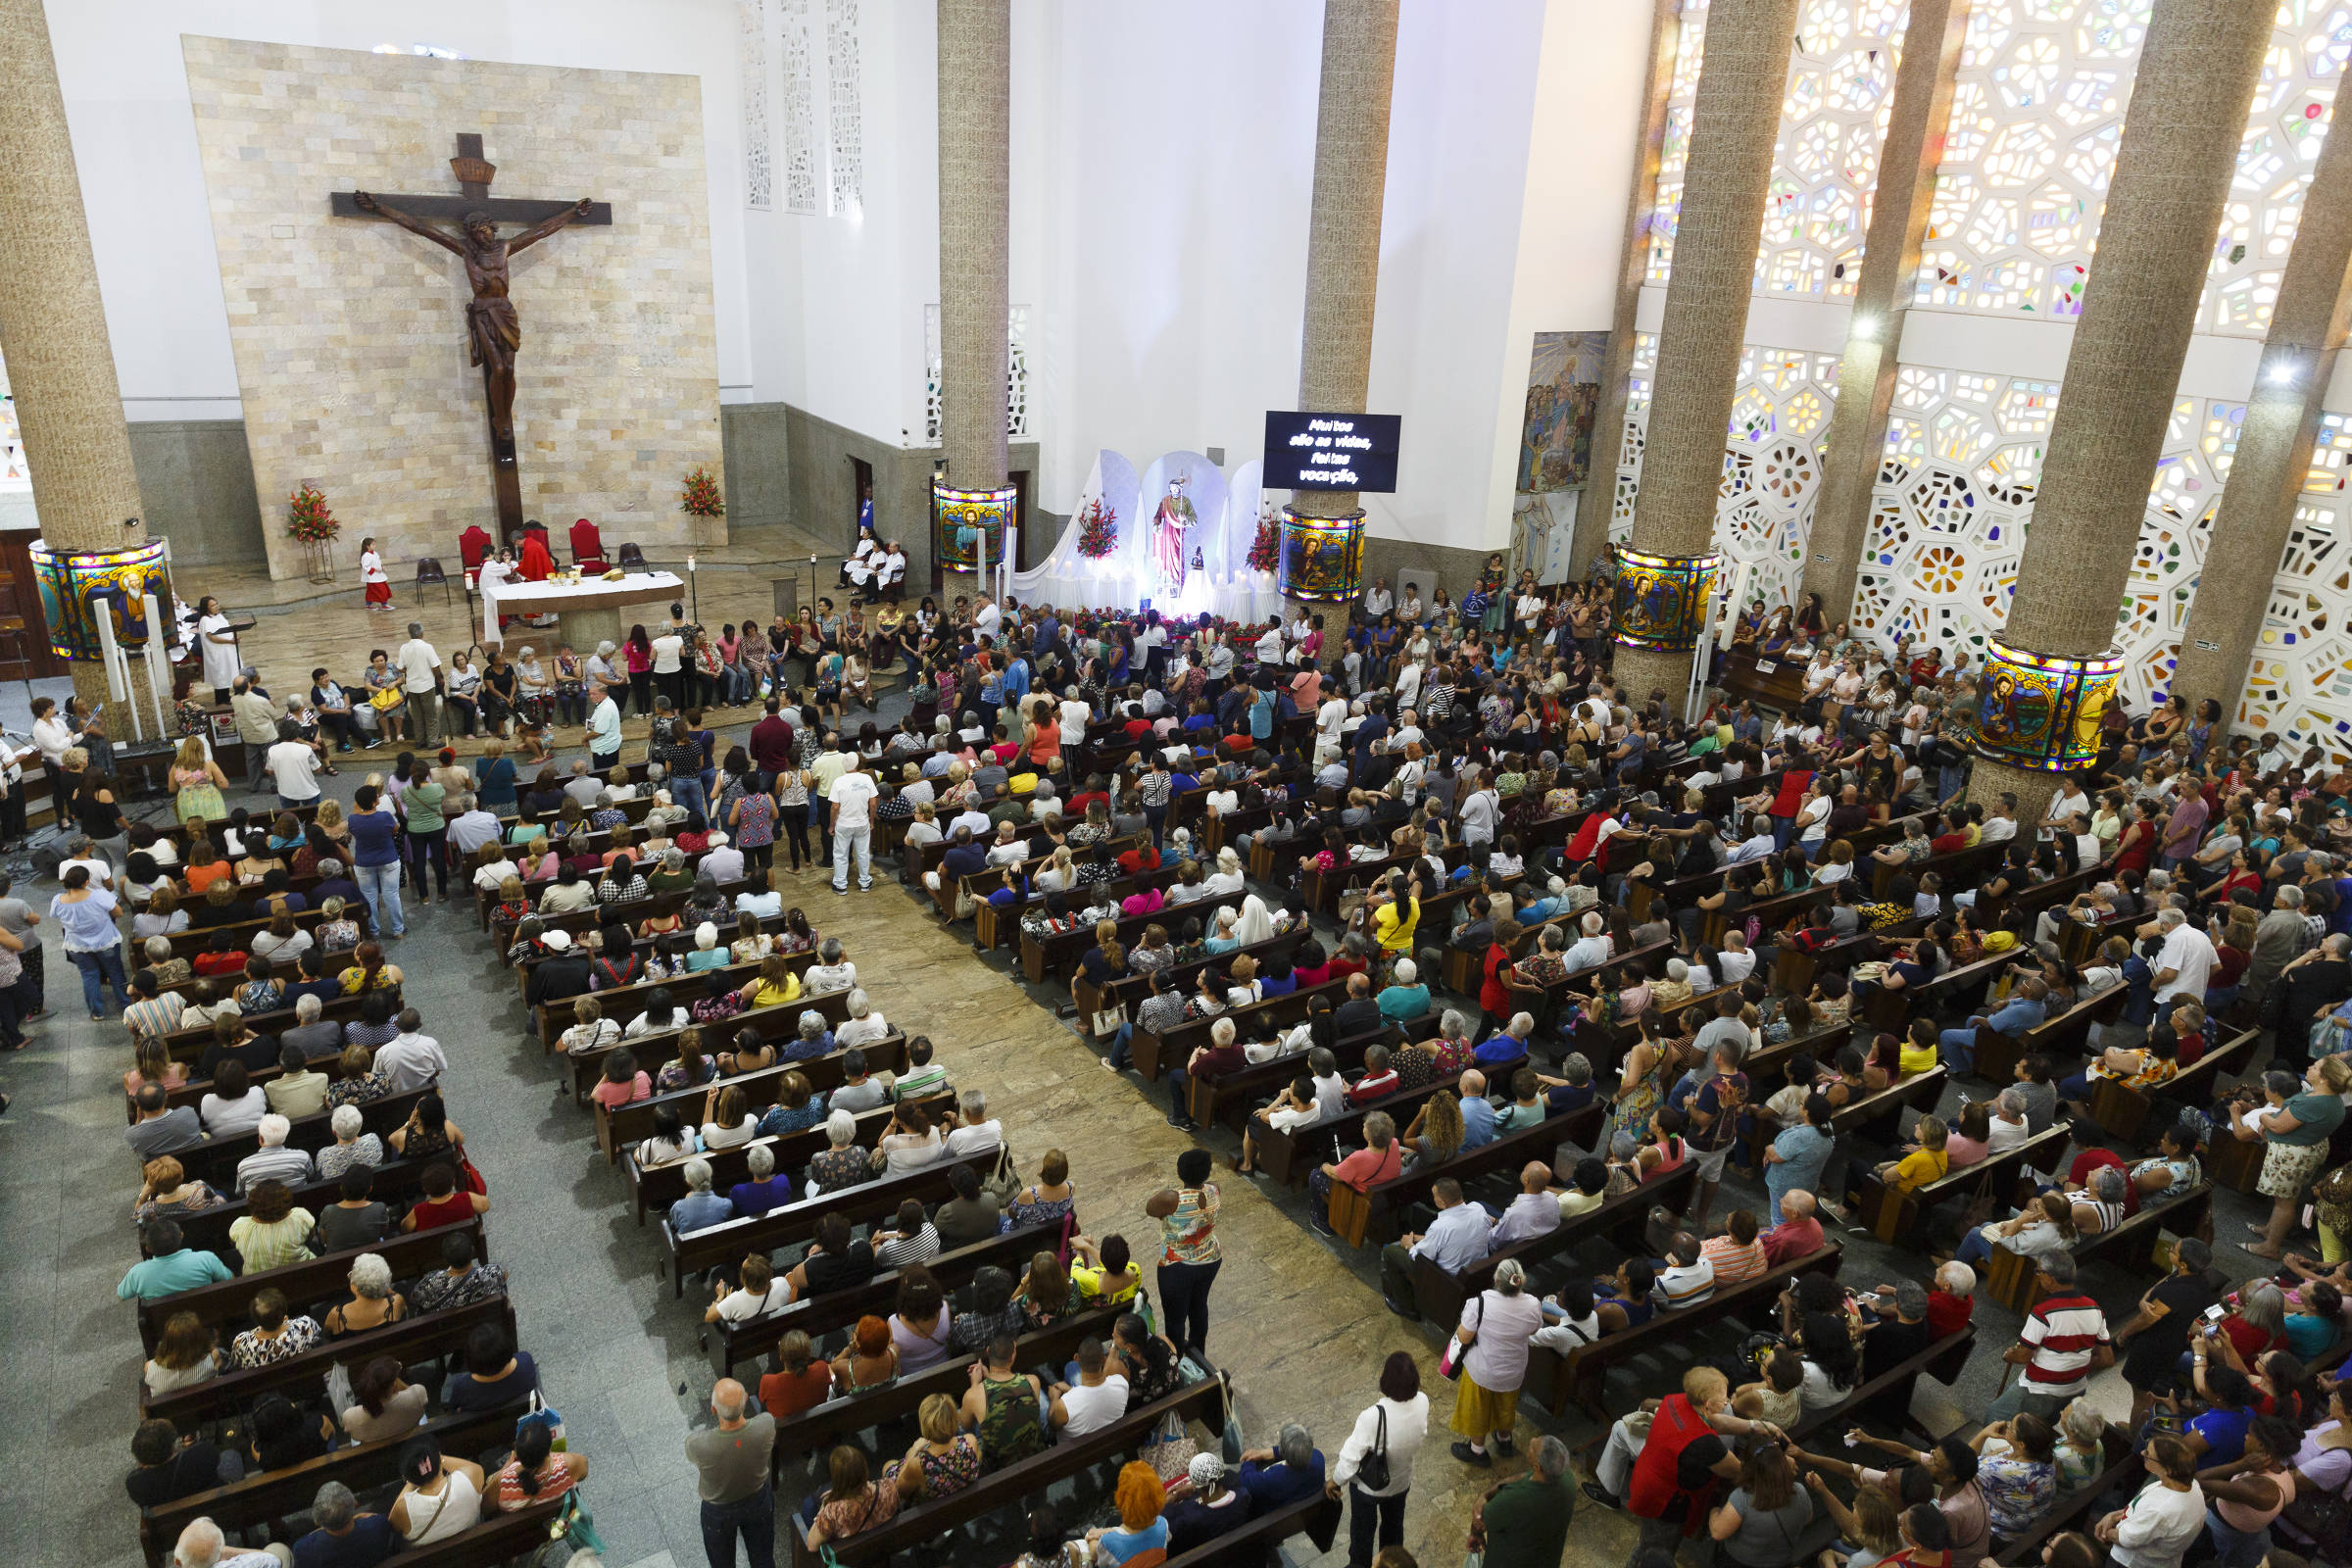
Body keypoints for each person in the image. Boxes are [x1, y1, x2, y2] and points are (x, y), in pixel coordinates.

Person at [1330, 1351, 1429, 1568]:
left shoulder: (1373, 1416)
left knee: (1363, 1533)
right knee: (1394, 1528)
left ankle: (1360, 1565)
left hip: (1369, 1488)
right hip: (1401, 1482)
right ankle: (1391, 1562)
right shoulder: (1423, 1402)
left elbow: (1350, 1458)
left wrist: (1335, 1481)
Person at [1450, 1257, 1545, 1466]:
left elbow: (1464, 1337)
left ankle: (1477, 1451)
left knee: (1478, 1409)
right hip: (1513, 1370)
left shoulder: (1479, 1304)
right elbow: (1535, 1329)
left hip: (1482, 1370)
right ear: (1520, 1280)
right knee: (1506, 1405)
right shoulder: (1532, 1304)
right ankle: (1504, 1440)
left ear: (1495, 1279)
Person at [688, 1377, 779, 1568]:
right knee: (763, 1559)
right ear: (746, 1399)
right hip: (758, 1500)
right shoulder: (766, 1424)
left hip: (718, 1511)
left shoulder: (699, 1445)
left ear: (713, 1410)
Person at [1148, 1148, 1222, 1357]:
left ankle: (1176, 1357)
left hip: (1177, 1266)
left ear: (1180, 1173)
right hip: (1209, 1258)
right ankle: (1199, 1351)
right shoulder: (1214, 1189)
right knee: (1199, 1306)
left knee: (1175, 1317)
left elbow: (1150, 1208)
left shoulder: (1172, 1199)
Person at [1471, 1434, 1577, 1568]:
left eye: (1533, 1448)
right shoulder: (1566, 1479)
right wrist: (1486, 1494)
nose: (1531, 1440)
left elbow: (1480, 1521)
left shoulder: (1512, 1500)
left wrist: (1476, 1534)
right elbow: (1525, 1476)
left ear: (1538, 1467)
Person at [389, 1436, 488, 1545]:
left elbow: (393, 1523)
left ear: (406, 1477)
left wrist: (413, 1474)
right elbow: (468, 1466)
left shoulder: (403, 1509)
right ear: (440, 1458)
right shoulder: (471, 1475)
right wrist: (434, 1457)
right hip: (476, 1548)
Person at [288, 1481, 398, 1568]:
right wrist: (358, 1517)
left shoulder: (302, 1549)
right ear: (355, 1504)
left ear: (317, 1520)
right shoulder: (378, 1526)